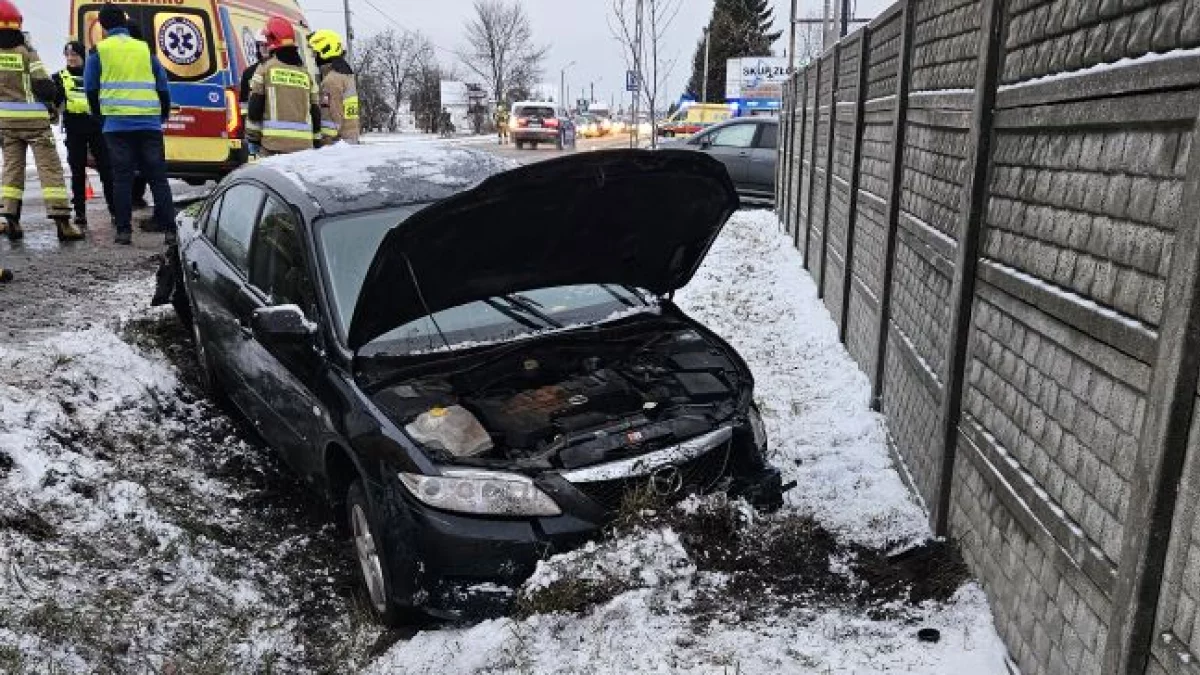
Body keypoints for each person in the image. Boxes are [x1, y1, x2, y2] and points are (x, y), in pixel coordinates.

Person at [84, 5, 175, 246]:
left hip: (117, 126)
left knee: (122, 179)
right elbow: (163, 86)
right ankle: (171, 231)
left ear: (103, 26)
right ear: (125, 23)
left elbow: (91, 89)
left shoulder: (98, 52)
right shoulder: (145, 49)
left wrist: (100, 117)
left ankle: (124, 232)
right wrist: (162, 114)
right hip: (148, 123)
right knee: (158, 178)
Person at [0, 1, 82, 241]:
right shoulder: (27, 51)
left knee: (12, 171)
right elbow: (44, 86)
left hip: (5, 124)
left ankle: (11, 220)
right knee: (50, 170)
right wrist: (54, 98)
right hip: (35, 122)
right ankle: (63, 224)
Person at [53, 40, 114, 229]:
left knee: (106, 170)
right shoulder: (59, 77)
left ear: (82, 56)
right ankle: (80, 213)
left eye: (75, 55)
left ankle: (114, 210)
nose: (71, 59)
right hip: (74, 127)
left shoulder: (94, 74)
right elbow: (54, 101)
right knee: (77, 171)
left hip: (96, 126)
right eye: (68, 55)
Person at [246, 15, 320, 157]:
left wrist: (253, 139)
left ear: (272, 40)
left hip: (273, 147)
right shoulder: (305, 74)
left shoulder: (265, 70)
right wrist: (316, 140)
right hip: (304, 149)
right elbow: (315, 111)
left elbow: (254, 108)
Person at [306, 29, 359, 145]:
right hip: (350, 141)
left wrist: (323, 142)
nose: (314, 58)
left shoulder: (331, 81)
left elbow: (330, 117)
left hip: (336, 146)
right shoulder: (346, 75)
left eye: (315, 53)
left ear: (325, 51)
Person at [238, 28, 269, 157]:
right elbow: (244, 105)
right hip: (253, 133)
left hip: (272, 131)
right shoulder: (249, 72)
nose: (264, 49)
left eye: (267, 45)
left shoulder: (277, 70)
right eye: (261, 45)